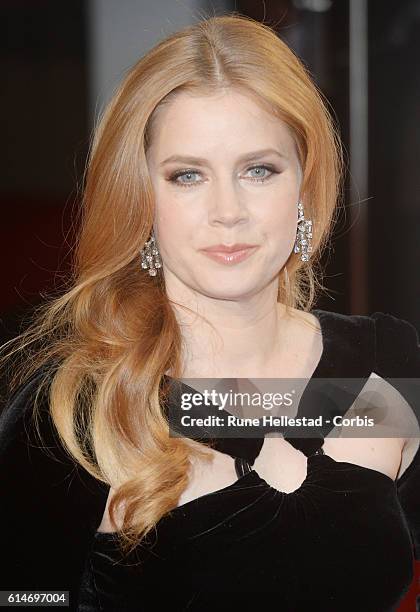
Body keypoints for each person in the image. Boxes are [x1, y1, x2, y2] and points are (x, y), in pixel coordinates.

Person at [1, 13, 419, 612]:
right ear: (141, 196)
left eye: (258, 170)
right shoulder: (78, 409)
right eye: (187, 175)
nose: (228, 210)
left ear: (305, 181)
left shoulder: (384, 365)